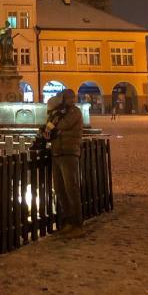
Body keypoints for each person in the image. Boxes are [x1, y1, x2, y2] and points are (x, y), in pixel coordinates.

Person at [46, 88, 85, 238]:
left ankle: (77, 224)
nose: (67, 101)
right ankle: (68, 221)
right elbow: (51, 126)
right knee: (60, 189)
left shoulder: (74, 112)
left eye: (67, 98)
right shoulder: (58, 113)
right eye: (64, 98)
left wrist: (54, 124)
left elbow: (62, 126)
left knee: (71, 189)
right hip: (57, 152)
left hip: (69, 153)